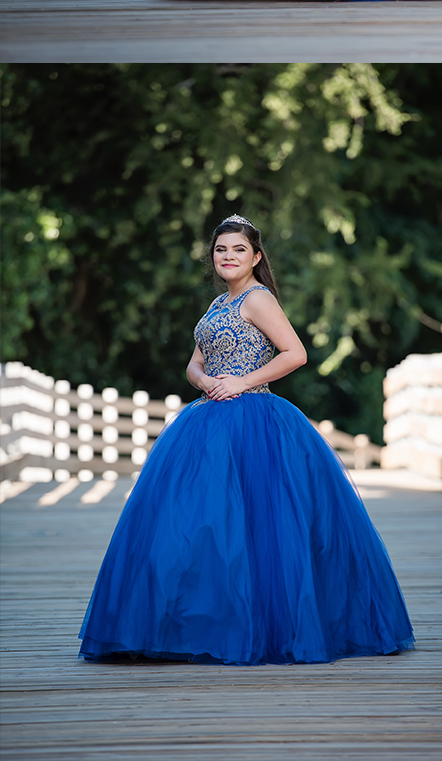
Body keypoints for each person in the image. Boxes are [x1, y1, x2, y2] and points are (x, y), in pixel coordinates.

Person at [79, 214, 414, 665]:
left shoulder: (258, 299)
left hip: (255, 420)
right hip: (207, 420)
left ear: (256, 257)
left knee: (258, 525)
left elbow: (296, 353)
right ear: (213, 257)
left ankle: (265, 627)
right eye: (221, 250)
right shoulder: (218, 305)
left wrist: (240, 382)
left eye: (239, 249)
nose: (229, 256)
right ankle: (190, 624)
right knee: (200, 523)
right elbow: (194, 362)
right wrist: (201, 378)